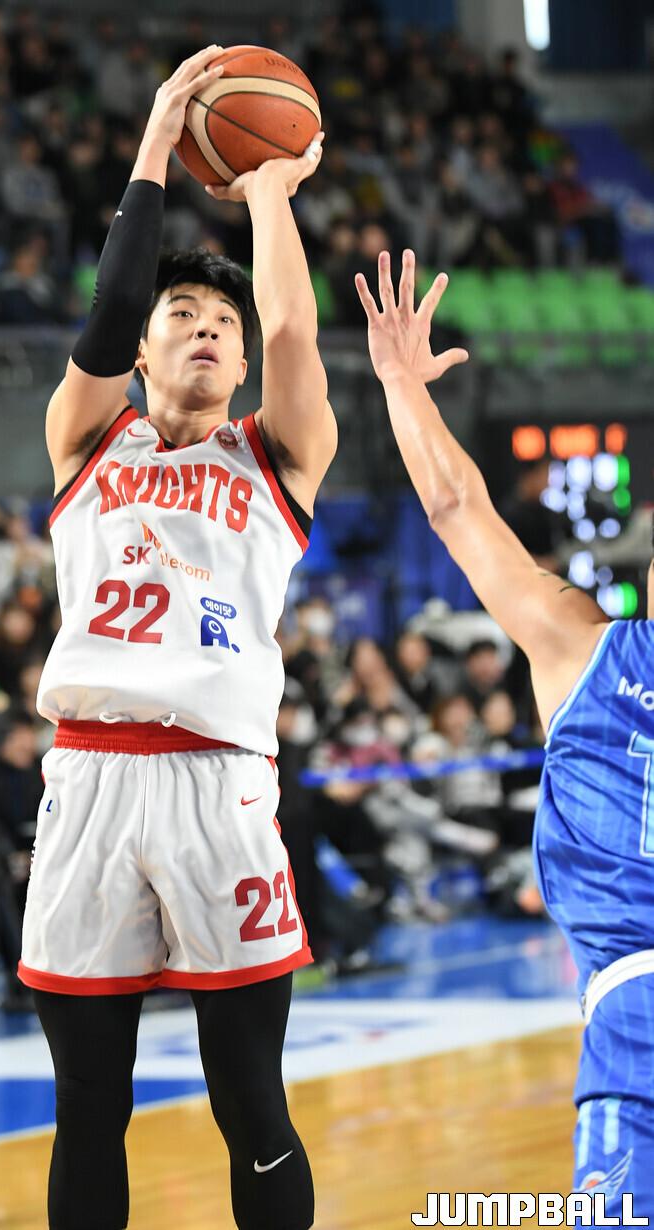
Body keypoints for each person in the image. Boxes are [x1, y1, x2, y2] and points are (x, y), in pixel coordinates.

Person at [17, 46, 335, 1230]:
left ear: (238, 362)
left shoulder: (275, 457)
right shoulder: (86, 438)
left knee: (250, 1103)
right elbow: (106, 311)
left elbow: (293, 334)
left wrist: (267, 194)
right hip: (90, 783)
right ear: (142, 352)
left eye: (220, 322)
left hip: (218, 787)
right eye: (180, 317)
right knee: (87, 1106)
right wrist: (157, 142)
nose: (204, 329)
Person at [355, 247, 654, 1220]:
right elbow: (456, 507)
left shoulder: (580, 648)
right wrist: (402, 387)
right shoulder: (584, 646)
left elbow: (457, 511)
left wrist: (402, 384)